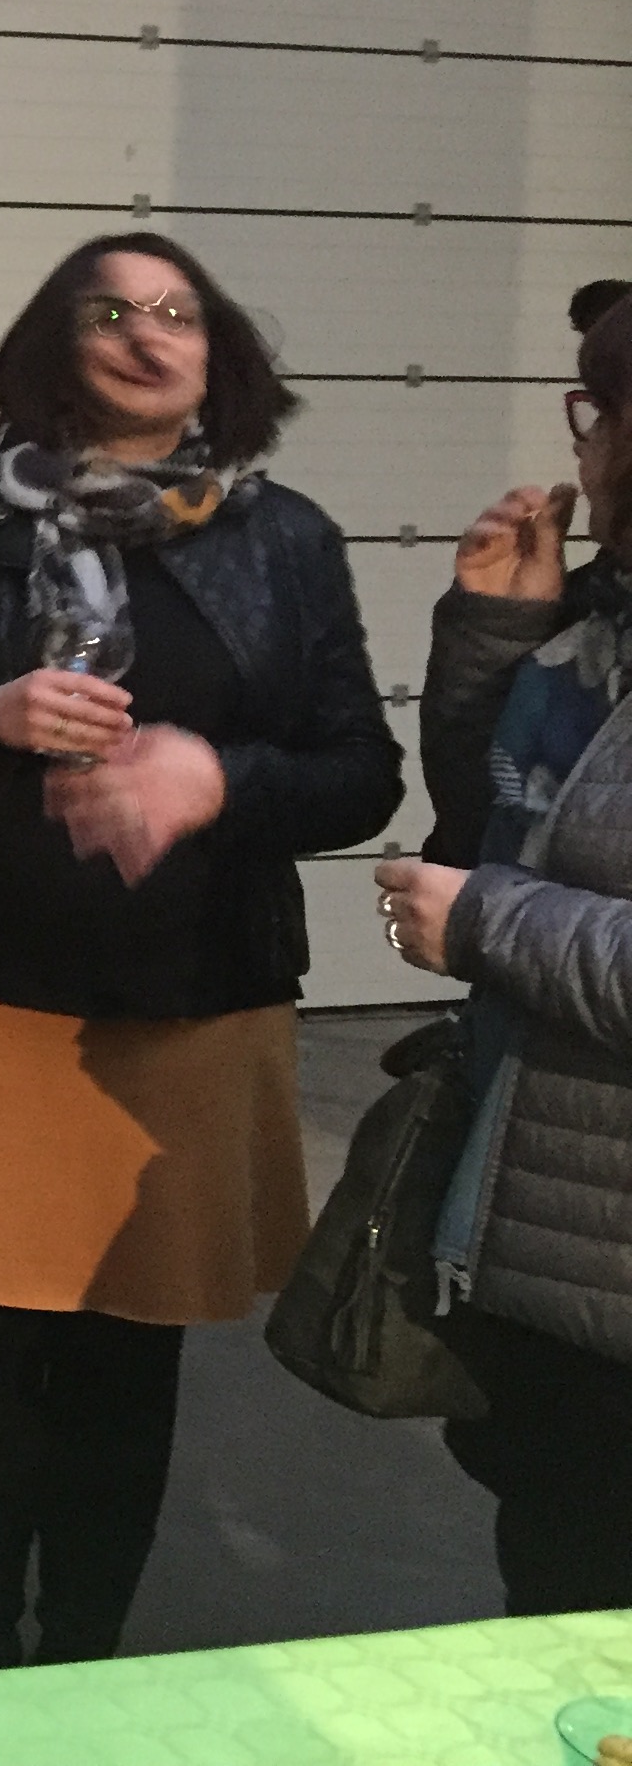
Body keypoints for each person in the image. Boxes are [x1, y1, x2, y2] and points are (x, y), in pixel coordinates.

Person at [0, 231, 401, 1670]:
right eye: (114, 312)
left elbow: (359, 774)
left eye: (179, 314)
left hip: (190, 1008)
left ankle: (85, 1659)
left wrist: (220, 779)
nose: (151, 336)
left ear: (219, 354)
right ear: (57, 341)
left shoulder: (286, 538)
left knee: (127, 1358)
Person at [371, 289, 632, 1614]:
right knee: (560, 1603)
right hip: (561, 1243)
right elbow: (490, 823)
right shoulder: (602, 618)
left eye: (595, 413)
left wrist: (484, 923)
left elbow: (493, 887)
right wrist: (496, 635)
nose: (580, 449)